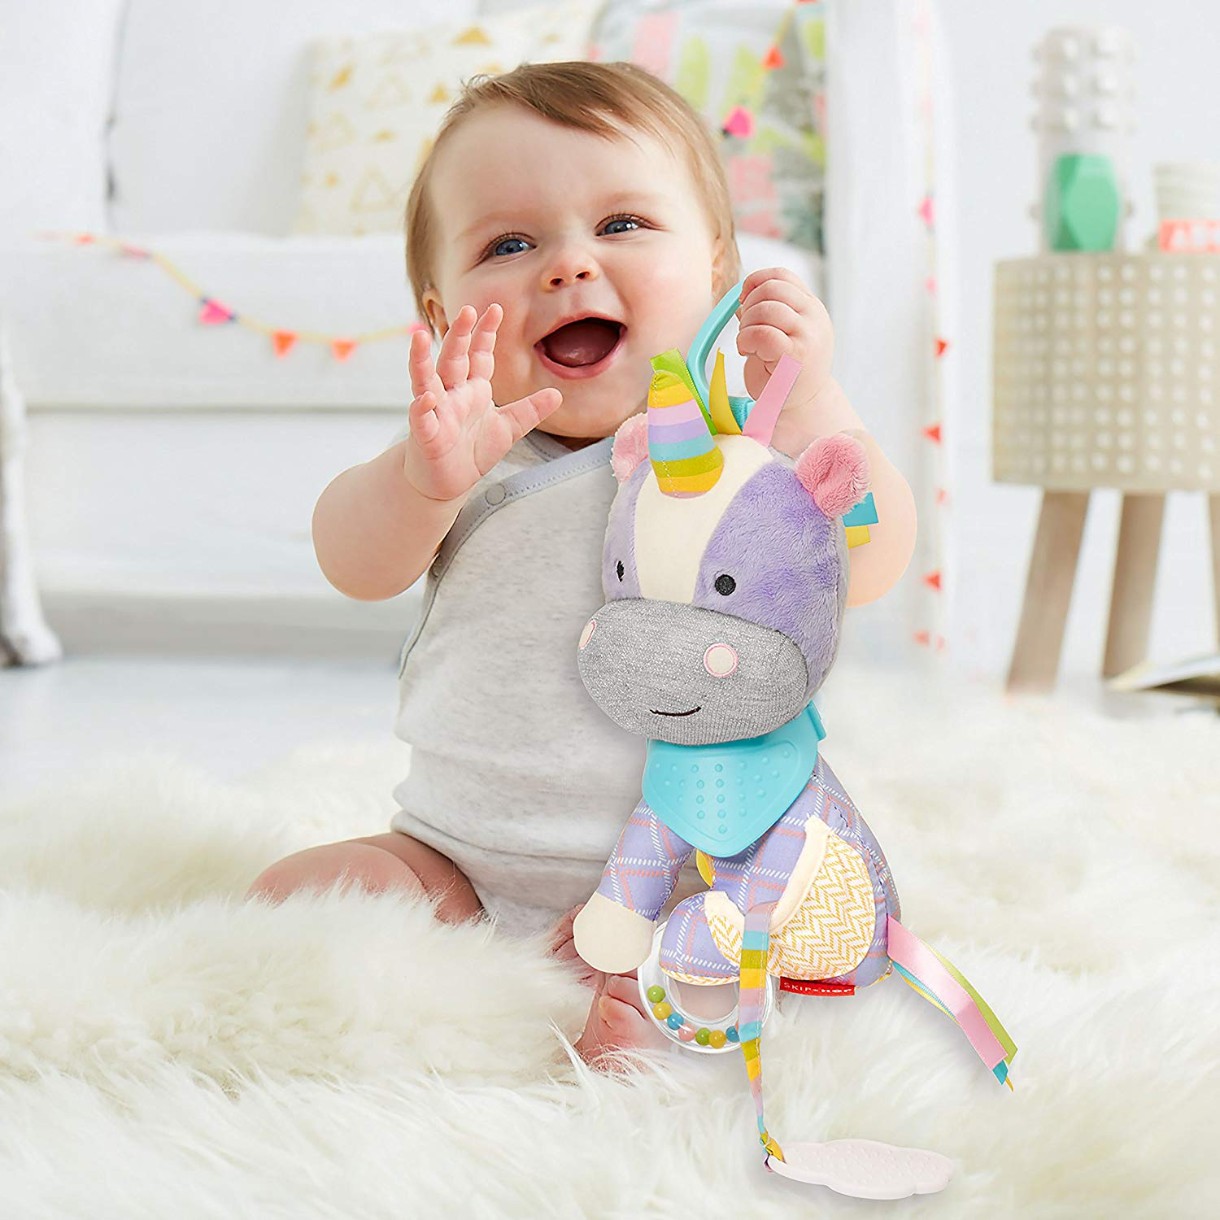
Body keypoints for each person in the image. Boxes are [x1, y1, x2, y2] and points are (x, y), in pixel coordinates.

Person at [246, 61, 916, 1062]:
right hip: (459, 858)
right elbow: (353, 562)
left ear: (717, 268)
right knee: (290, 900)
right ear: (441, 315)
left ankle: (648, 1000)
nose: (566, 266)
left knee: (704, 960)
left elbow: (871, 559)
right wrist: (420, 484)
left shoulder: (748, 460)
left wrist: (815, 403)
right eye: (508, 244)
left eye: (621, 225)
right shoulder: (466, 455)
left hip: (686, 860)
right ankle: (488, 973)